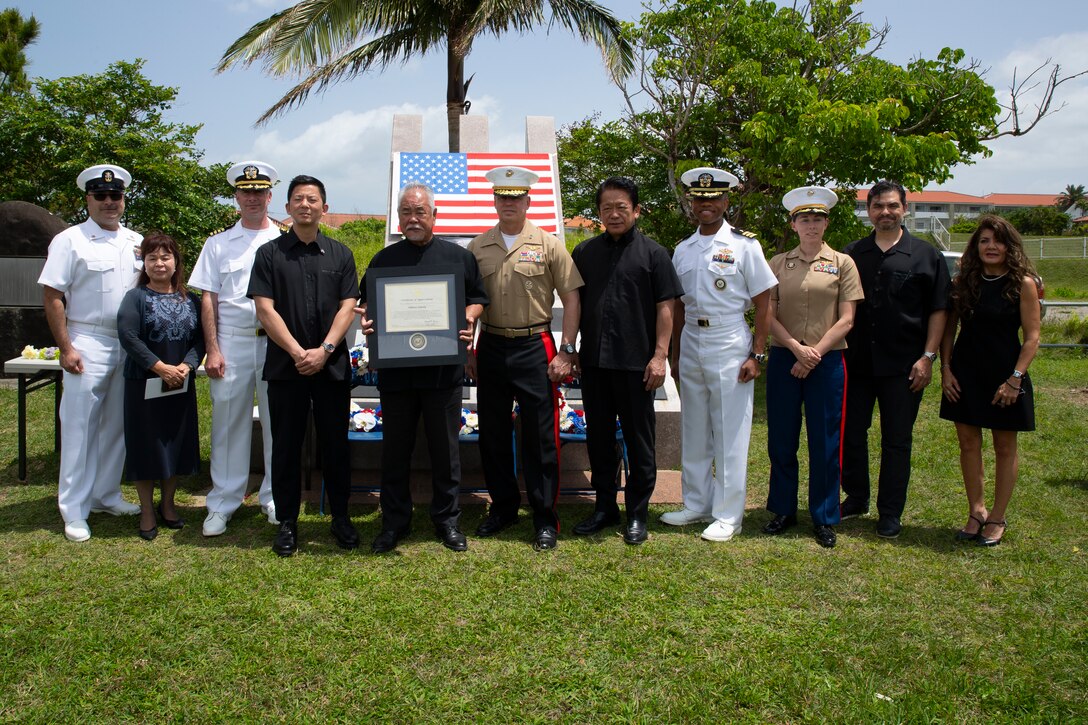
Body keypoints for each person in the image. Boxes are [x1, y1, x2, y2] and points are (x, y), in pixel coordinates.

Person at [358, 183, 489, 554]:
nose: (412, 219)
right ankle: (394, 523)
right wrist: (368, 323)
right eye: (405, 212)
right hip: (397, 373)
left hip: (443, 372)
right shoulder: (383, 260)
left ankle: (447, 521)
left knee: (445, 449)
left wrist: (468, 315)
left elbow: (479, 298)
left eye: (419, 212)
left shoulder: (458, 258)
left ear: (435, 215)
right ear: (398, 217)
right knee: (395, 449)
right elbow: (367, 305)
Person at [466, 166, 582, 552]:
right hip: (492, 346)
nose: (509, 203)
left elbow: (573, 297)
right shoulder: (478, 246)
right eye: (503, 197)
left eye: (516, 197)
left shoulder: (549, 244)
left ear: (529, 201)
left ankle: (544, 517)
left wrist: (567, 349)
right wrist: (469, 348)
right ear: (495, 201)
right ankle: (502, 509)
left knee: (540, 436)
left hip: (536, 345)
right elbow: (468, 302)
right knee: (494, 434)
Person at [661, 168, 776, 543]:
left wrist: (757, 354)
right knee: (694, 426)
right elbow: (677, 307)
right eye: (699, 199)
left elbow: (764, 303)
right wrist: (676, 355)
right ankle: (696, 503)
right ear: (691, 204)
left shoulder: (745, 246)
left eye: (713, 199)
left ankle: (729, 515)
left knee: (729, 429)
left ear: (726, 202)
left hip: (729, 337)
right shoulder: (683, 249)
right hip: (692, 336)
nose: (705, 206)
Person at [247, 175, 359, 557]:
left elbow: (348, 307)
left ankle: (340, 518)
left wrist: (324, 350)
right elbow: (265, 309)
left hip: (331, 368)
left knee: (335, 445)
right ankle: (288, 523)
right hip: (286, 367)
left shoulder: (341, 255)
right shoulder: (270, 254)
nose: (305, 205)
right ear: (288, 207)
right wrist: (299, 353)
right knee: (286, 447)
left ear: (324, 208)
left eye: (313, 199)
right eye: (298, 199)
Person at [571, 177, 684, 545]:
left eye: (622, 207)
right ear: (599, 212)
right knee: (599, 441)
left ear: (636, 210)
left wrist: (660, 356)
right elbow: (575, 304)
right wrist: (570, 349)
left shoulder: (655, 254)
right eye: (607, 208)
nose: (614, 214)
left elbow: (666, 308)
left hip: (638, 367)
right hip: (595, 365)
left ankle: (637, 513)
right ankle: (605, 507)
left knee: (639, 442)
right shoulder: (585, 252)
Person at [841, 180, 951, 538]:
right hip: (856, 363)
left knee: (897, 439)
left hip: (905, 366)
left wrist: (928, 357)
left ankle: (890, 511)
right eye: (878, 207)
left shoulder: (925, 255)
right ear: (869, 211)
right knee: (851, 434)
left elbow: (939, 310)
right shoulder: (852, 254)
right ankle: (855, 497)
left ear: (905, 208)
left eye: (892, 206)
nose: (885, 212)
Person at [39, 164, 143, 542]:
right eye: (101, 196)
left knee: (116, 425)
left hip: (127, 343)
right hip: (87, 339)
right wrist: (66, 347)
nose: (109, 202)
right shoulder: (70, 240)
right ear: (88, 199)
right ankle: (74, 508)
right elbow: (52, 295)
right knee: (81, 427)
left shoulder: (135, 241)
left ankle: (105, 494)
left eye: (115, 196)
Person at [762, 187, 863, 548]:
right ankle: (783, 509)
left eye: (817, 219)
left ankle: (823, 516)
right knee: (782, 439)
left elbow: (847, 318)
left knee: (825, 441)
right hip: (785, 357)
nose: (811, 225)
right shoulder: (777, 263)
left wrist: (814, 353)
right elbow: (767, 314)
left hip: (827, 359)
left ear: (826, 222)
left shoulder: (842, 263)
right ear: (793, 225)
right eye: (804, 219)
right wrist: (794, 347)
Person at [189, 160, 282, 537]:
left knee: (279, 422)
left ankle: (274, 497)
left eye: (260, 192)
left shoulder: (284, 239)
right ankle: (223, 502)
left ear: (270, 196)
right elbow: (208, 299)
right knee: (228, 423)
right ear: (236, 197)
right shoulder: (217, 243)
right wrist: (212, 347)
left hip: (275, 342)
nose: (253, 198)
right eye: (247, 192)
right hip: (232, 341)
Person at [940, 215, 1039, 546]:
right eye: (984, 241)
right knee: (968, 444)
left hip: (1006, 376)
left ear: (1008, 246)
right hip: (966, 374)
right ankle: (976, 511)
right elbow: (949, 329)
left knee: (1004, 446)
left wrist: (1014, 380)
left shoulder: (1022, 283)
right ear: (976, 246)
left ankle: (997, 517)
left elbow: (1032, 338)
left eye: (997, 241)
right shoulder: (964, 283)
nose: (991, 247)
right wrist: (946, 369)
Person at [117, 234, 204, 540]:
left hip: (179, 385)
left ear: (176, 262)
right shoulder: (135, 298)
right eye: (152, 258)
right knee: (146, 447)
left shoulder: (190, 299)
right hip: (143, 384)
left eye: (165, 257)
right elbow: (128, 336)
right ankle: (146, 510)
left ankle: (168, 505)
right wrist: (159, 367)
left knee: (173, 446)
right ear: (144, 263)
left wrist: (186, 366)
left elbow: (200, 339)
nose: (159, 263)